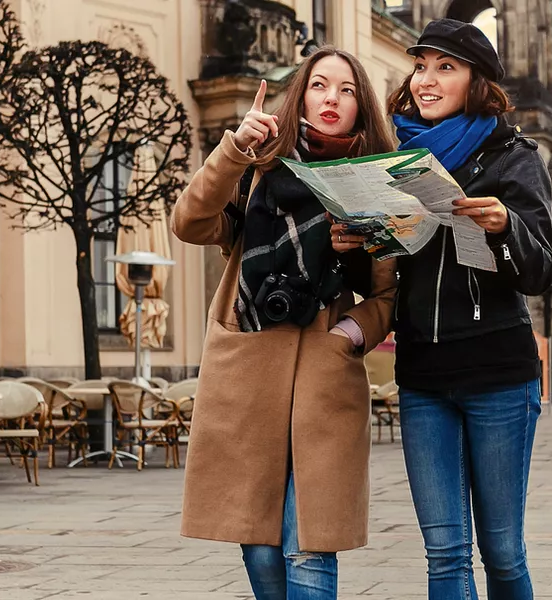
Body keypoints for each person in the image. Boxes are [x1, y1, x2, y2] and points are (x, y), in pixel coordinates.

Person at [339, 18, 552, 599]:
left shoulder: (514, 158)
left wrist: (504, 226)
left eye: (445, 67)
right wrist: (353, 248)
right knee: (445, 555)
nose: (426, 80)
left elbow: (539, 272)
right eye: (420, 66)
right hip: (424, 380)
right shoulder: (391, 160)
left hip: (498, 377)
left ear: (476, 81)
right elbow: (381, 276)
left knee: (503, 553)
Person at [171, 48, 399, 600]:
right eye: (320, 85)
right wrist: (233, 150)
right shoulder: (257, 170)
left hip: (324, 378)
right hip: (247, 373)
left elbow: (390, 293)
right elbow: (190, 222)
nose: (332, 98)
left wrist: (353, 332)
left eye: (346, 90)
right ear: (301, 94)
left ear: (360, 106)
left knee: (309, 542)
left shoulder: (377, 185)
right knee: (258, 542)